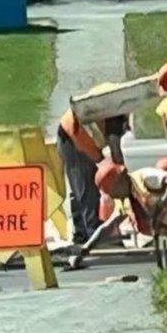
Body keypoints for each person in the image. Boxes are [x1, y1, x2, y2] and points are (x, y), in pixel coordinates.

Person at [57, 84, 128, 244]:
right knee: (86, 188)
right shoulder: (110, 112)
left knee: (79, 189)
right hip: (71, 137)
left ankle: (81, 234)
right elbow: (113, 153)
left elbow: (117, 154)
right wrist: (108, 167)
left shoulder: (117, 109)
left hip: (80, 132)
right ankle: (95, 236)